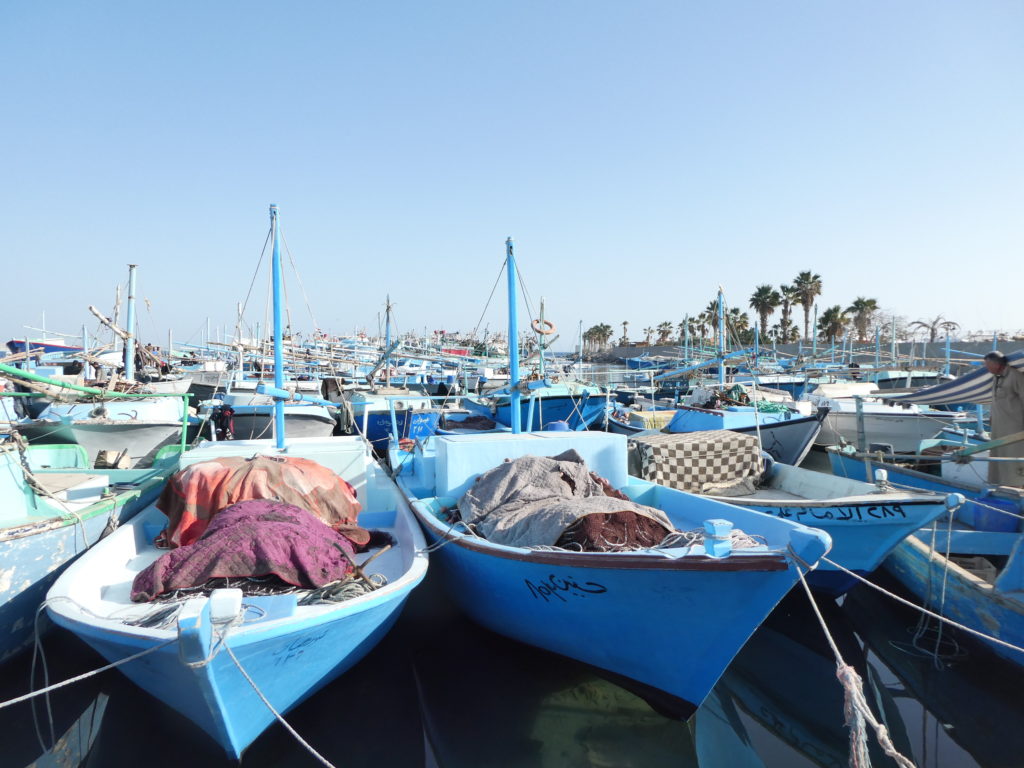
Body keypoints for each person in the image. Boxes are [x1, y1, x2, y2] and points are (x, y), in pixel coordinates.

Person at [983, 351, 1024, 486]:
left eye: (988, 365)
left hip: (1014, 428)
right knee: (997, 457)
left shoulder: (1015, 376)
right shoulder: (996, 377)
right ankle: (999, 485)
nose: (986, 368)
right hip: (998, 428)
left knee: (1013, 459)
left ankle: (1015, 486)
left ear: (996, 364)